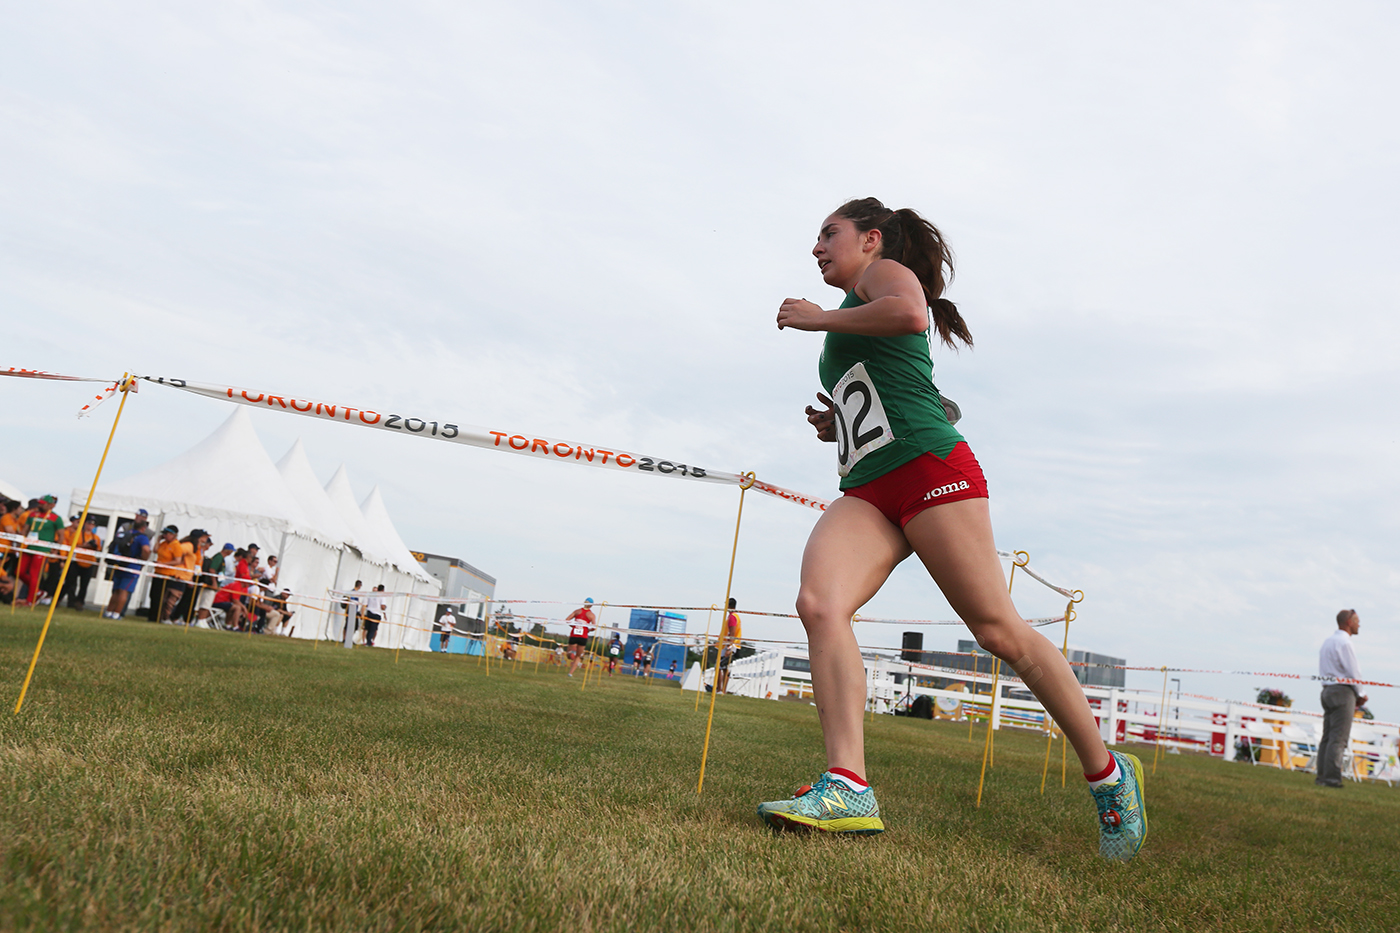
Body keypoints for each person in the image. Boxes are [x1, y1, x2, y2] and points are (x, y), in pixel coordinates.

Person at [757, 198, 1146, 860]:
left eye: (829, 234)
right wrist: (838, 425)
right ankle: (848, 785)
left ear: (871, 239)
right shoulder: (854, 306)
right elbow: (881, 387)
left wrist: (817, 315)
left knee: (999, 632)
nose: (817, 247)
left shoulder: (881, 279)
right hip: (871, 487)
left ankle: (1110, 776)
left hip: (932, 471)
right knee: (819, 603)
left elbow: (911, 314)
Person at [1317, 609, 1367, 788]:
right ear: (1348, 622)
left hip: (1327, 690)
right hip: (1342, 692)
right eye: (1357, 621)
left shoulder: (1327, 642)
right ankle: (1331, 778)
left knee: (1327, 737)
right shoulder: (1345, 643)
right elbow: (1353, 671)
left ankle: (1322, 776)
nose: (1359, 624)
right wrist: (1360, 694)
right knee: (1339, 738)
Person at [17, 495, 63, 607]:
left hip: (42, 549)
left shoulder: (56, 518)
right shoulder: (32, 514)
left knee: (34, 574)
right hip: (29, 547)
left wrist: (56, 550)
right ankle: (37, 591)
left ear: (49, 505)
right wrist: (19, 542)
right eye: (40, 503)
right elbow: (25, 530)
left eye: (43, 503)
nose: (40, 505)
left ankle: (30, 600)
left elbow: (61, 535)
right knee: (19, 572)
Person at [104, 518, 151, 619]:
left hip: (120, 564)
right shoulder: (142, 537)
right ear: (143, 528)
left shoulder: (125, 533)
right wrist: (143, 560)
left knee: (116, 590)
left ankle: (108, 611)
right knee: (124, 591)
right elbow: (146, 549)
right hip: (132, 566)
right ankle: (117, 614)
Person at [564, 598, 596, 677]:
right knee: (578, 656)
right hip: (583, 636)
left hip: (574, 635)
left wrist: (574, 626)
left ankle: (571, 653)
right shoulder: (591, 615)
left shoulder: (577, 611)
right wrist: (588, 630)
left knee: (569, 654)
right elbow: (594, 627)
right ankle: (570, 673)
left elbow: (567, 620)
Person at [717, 598, 743, 694]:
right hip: (730, 644)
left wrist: (729, 647)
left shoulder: (732, 617)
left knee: (720, 667)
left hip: (729, 645)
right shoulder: (734, 616)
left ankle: (720, 689)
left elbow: (732, 632)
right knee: (724, 667)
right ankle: (721, 689)